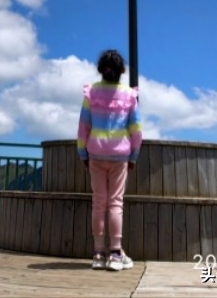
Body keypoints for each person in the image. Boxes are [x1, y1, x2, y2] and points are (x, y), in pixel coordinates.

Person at [77, 49, 142, 271]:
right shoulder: (129, 95)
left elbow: (83, 126)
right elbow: (136, 130)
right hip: (120, 155)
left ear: (101, 70)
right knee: (115, 203)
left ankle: (98, 253)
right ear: (121, 71)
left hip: (95, 154)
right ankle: (115, 253)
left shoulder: (92, 92)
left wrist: (83, 153)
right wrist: (133, 157)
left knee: (98, 202)